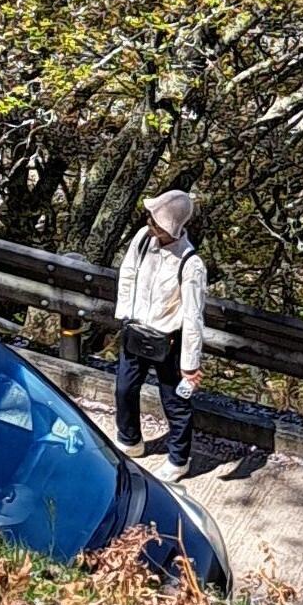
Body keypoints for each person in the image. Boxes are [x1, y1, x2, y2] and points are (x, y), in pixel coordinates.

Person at [113, 188, 206, 466]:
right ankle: (129, 440)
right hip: (137, 329)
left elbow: (193, 316)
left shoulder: (192, 264)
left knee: (174, 402)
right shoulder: (142, 240)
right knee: (124, 388)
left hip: (169, 339)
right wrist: (125, 317)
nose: (148, 224)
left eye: (154, 221)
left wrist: (190, 364)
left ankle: (179, 459)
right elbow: (127, 275)